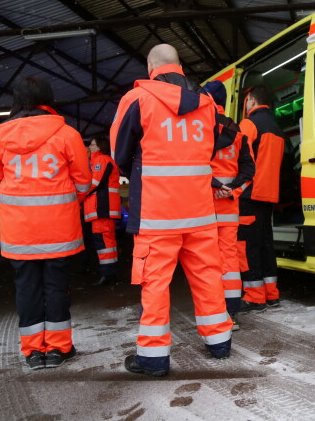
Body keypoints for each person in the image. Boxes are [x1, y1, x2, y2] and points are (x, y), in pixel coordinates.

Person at [110, 44, 233, 377]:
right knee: (208, 276)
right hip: (199, 211)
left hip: (156, 213)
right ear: (178, 66)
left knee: (156, 284)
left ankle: (153, 358)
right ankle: (219, 342)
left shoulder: (136, 100)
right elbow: (210, 147)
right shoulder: (207, 105)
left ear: (151, 67)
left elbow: (119, 152)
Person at [0, 76, 92, 370]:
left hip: (19, 231)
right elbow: (83, 181)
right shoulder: (66, 134)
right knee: (56, 286)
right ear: (49, 98)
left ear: (17, 100)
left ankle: (33, 352)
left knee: (27, 288)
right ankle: (58, 348)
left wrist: (14, 203)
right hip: (59, 228)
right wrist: (67, 203)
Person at [203, 81, 255, 330]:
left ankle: (214, 313)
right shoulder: (239, 133)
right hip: (229, 208)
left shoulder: (200, 128)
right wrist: (232, 190)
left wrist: (214, 185)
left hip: (203, 207)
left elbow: (194, 165)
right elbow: (249, 169)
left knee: (206, 260)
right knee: (229, 259)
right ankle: (231, 313)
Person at [237, 85, 285, 313]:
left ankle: (255, 297)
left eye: (246, 101)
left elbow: (237, 158)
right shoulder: (276, 127)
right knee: (266, 246)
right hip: (267, 196)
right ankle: (271, 294)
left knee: (248, 248)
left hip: (248, 194)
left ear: (252, 101)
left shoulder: (249, 124)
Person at [83, 136, 121, 286]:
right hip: (100, 210)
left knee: (104, 242)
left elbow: (93, 183)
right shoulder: (98, 161)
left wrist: (77, 193)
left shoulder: (101, 160)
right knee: (105, 242)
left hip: (102, 210)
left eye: (92, 144)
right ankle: (109, 273)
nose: (90, 147)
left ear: (99, 147)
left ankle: (108, 274)